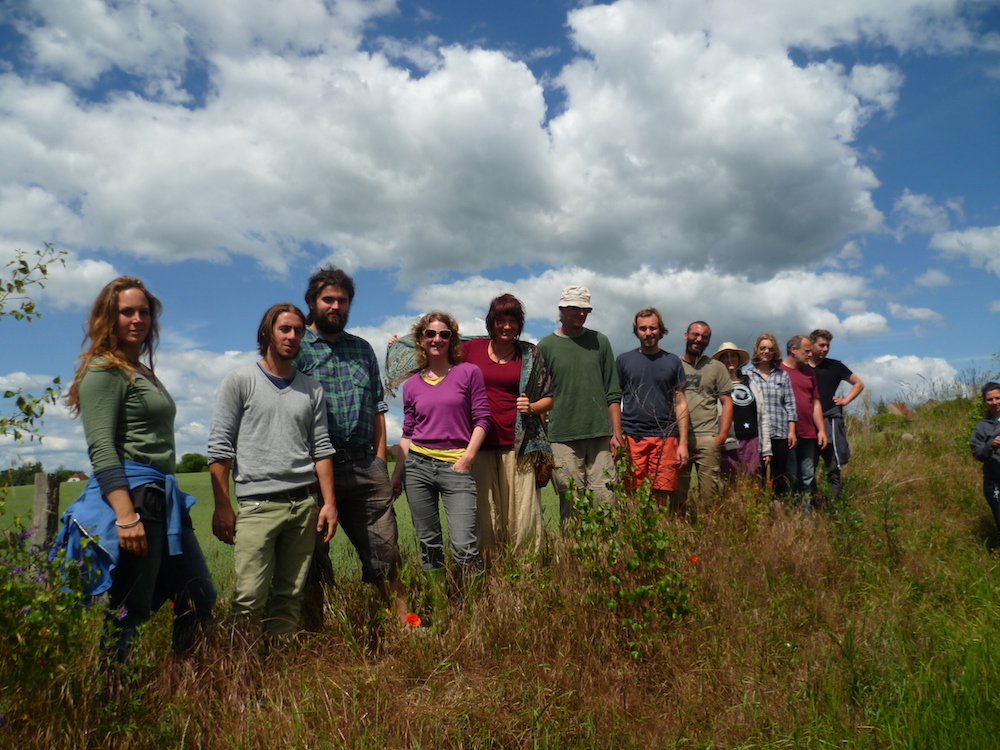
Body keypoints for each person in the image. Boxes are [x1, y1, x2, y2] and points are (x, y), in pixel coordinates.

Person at [58, 277, 216, 666]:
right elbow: (101, 449)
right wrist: (126, 517)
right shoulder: (103, 371)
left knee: (197, 594)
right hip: (136, 500)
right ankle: (113, 702)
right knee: (130, 610)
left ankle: (185, 684)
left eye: (144, 311)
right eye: (127, 311)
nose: (137, 319)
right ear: (108, 317)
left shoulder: (140, 370)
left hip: (163, 498)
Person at [208, 303, 338, 643]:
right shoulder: (240, 381)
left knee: (290, 595)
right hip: (256, 506)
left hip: (302, 505)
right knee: (249, 596)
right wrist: (223, 506)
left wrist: (328, 503)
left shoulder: (312, 389)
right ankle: (240, 671)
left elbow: (321, 449)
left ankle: (281, 663)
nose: (292, 336)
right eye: (285, 329)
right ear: (267, 332)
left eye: (298, 331)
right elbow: (220, 448)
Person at [294, 266, 409, 628]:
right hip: (313, 472)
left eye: (342, 301)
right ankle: (314, 634)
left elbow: (377, 408)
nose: (335, 306)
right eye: (328, 299)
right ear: (312, 302)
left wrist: (379, 461)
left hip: (364, 467)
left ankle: (406, 627)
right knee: (310, 559)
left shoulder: (361, 349)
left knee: (386, 556)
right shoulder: (297, 349)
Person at [391, 312, 490, 627]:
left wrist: (467, 458)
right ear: (421, 340)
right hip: (417, 468)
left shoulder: (468, 372)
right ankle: (441, 610)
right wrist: (398, 475)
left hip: (456, 466)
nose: (437, 339)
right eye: (430, 334)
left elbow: (482, 419)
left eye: (444, 334)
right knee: (429, 543)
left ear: (452, 340)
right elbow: (407, 432)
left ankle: (468, 610)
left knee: (464, 545)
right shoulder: (412, 386)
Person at [463, 294, 554, 561]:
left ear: (519, 324)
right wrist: (402, 343)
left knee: (523, 518)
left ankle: (525, 577)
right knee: (486, 517)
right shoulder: (471, 350)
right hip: (478, 446)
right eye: (500, 320)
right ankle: (490, 577)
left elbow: (549, 396)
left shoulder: (529, 353)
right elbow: (435, 347)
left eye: (512, 321)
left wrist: (532, 408)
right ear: (491, 322)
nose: (506, 326)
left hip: (520, 447)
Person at [538, 285, 623, 521]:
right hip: (562, 438)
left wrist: (616, 433)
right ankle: (572, 557)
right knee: (572, 506)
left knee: (606, 502)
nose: (581, 313)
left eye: (585, 309)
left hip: (600, 437)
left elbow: (612, 392)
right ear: (562, 309)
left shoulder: (600, 342)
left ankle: (605, 557)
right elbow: (540, 396)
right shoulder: (546, 346)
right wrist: (542, 441)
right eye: (575, 308)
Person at [615, 307, 689, 511]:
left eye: (653, 328)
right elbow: (614, 398)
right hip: (632, 437)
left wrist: (683, 442)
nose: (648, 333)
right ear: (636, 331)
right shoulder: (623, 360)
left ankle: (659, 537)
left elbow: (681, 402)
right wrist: (616, 434)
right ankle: (634, 540)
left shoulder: (673, 361)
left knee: (661, 497)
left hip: (666, 437)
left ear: (661, 330)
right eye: (643, 328)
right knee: (631, 496)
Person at [675, 321, 733, 519]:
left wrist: (722, 435)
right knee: (677, 493)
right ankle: (679, 532)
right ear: (686, 335)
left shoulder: (717, 367)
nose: (699, 339)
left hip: (707, 437)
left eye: (704, 337)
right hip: (677, 439)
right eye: (695, 334)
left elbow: (727, 402)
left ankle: (708, 533)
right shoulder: (673, 364)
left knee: (710, 493)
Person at [809, 329, 864, 500]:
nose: (825, 349)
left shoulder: (835, 366)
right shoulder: (801, 368)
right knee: (808, 467)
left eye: (828, 346)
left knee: (833, 465)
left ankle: (834, 505)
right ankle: (813, 503)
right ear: (811, 345)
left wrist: (845, 400)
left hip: (830, 420)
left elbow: (858, 383)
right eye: (821, 345)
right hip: (807, 422)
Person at [742, 333, 798, 494]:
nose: (766, 351)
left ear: (775, 352)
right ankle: (758, 508)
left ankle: (778, 507)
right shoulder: (747, 375)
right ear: (757, 350)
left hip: (780, 433)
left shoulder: (782, 375)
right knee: (756, 474)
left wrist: (792, 431)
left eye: (770, 348)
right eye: (762, 348)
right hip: (757, 434)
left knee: (779, 475)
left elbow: (790, 404)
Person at [780, 335, 828, 505]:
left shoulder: (809, 373)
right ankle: (789, 517)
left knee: (807, 478)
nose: (810, 354)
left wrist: (821, 430)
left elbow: (815, 402)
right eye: (806, 351)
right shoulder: (778, 371)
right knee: (790, 477)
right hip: (786, 434)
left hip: (809, 434)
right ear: (793, 350)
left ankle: (806, 517)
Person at [713, 342, 771, 480]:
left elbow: (763, 416)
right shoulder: (716, 386)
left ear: (739, 359)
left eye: (733, 355)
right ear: (721, 361)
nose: (730, 359)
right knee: (730, 480)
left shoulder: (751, 384)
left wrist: (767, 448)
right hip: (729, 442)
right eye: (726, 357)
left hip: (752, 440)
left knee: (753, 481)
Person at [970, 382, 1000, 549]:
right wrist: (992, 445)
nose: (995, 402)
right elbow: (978, 454)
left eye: (998, 397)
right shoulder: (982, 426)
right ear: (985, 402)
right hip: (994, 481)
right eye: (990, 399)